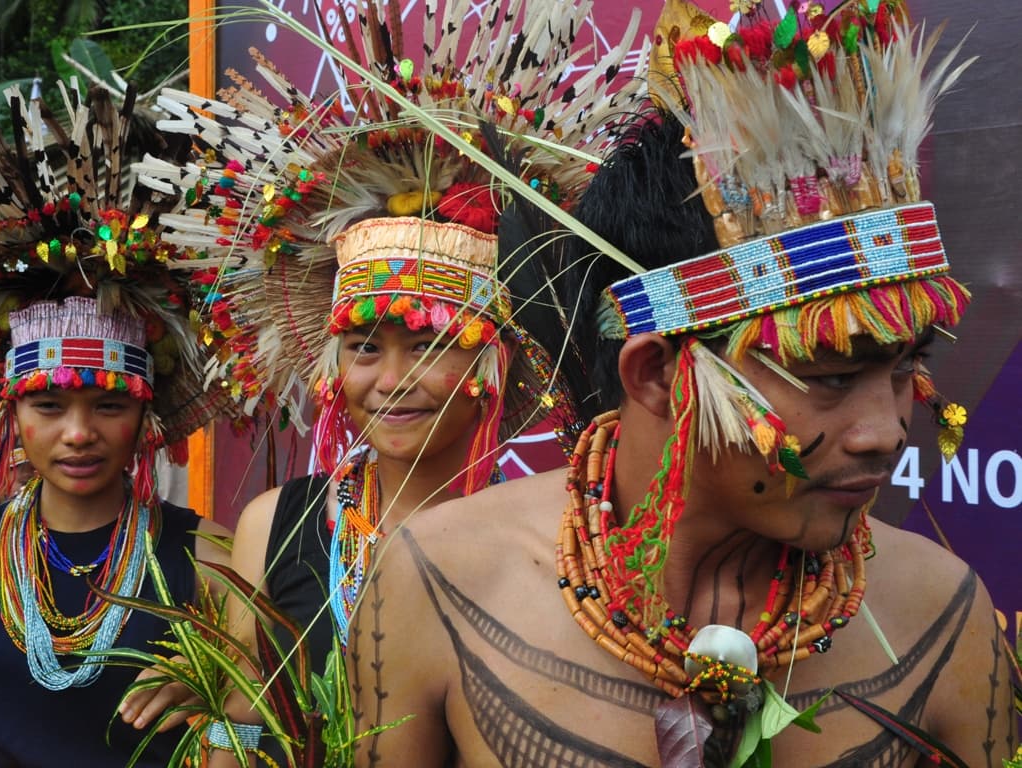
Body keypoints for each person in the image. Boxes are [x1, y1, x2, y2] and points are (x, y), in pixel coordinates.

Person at [349, 0, 1017, 765]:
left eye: (906, 368)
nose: (887, 431)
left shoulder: (943, 613)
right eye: (829, 375)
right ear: (660, 375)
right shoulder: (438, 582)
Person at [144, 0, 645, 761]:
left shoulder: (561, 539)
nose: (390, 380)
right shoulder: (275, 527)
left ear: (494, 363)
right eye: (365, 347)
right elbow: (237, 734)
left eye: (430, 343)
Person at [0, 86, 234, 767]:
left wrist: (220, 701)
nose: (78, 433)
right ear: (11, 413)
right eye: (49, 406)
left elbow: (253, 722)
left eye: (109, 405)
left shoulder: (208, 563)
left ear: (145, 415)